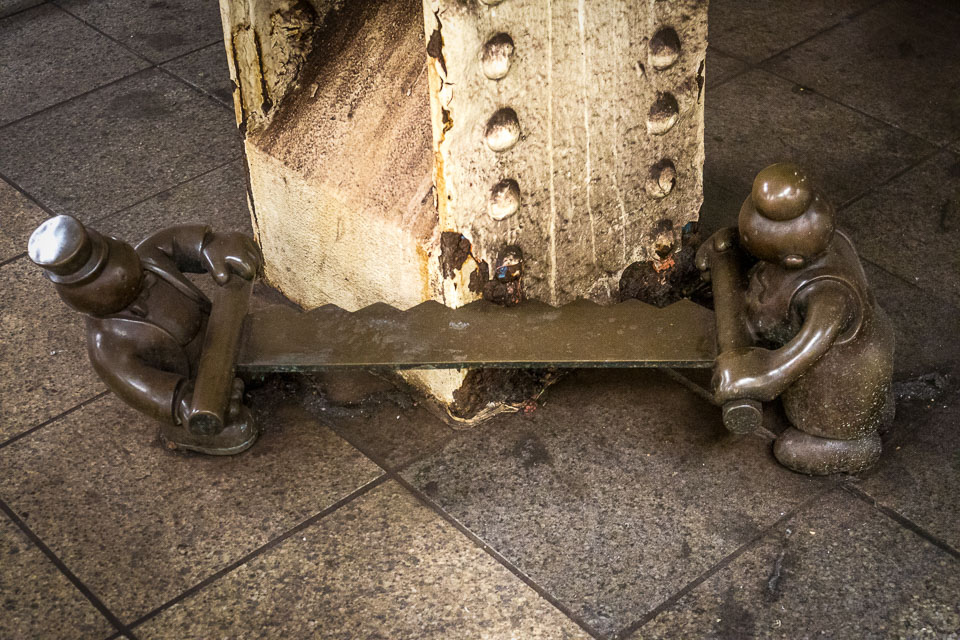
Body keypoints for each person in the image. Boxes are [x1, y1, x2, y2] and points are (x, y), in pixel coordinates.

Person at [703, 163, 895, 474]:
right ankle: (875, 409)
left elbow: (803, 351)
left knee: (791, 450)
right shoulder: (824, 241)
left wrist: (758, 376)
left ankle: (854, 443)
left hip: (841, 393)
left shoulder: (829, 297)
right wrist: (730, 247)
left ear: (793, 259)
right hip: (863, 369)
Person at [28, 215, 262, 454]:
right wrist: (184, 401)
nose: (115, 272)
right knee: (226, 421)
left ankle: (246, 366)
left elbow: (179, 241)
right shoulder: (107, 345)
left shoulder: (149, 256)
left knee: (268, 342)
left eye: (109, 259)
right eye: (96, 277)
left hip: (222, 333)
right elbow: (140, 384)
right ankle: (201, 421)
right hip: (198, 382)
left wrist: (212, 245)